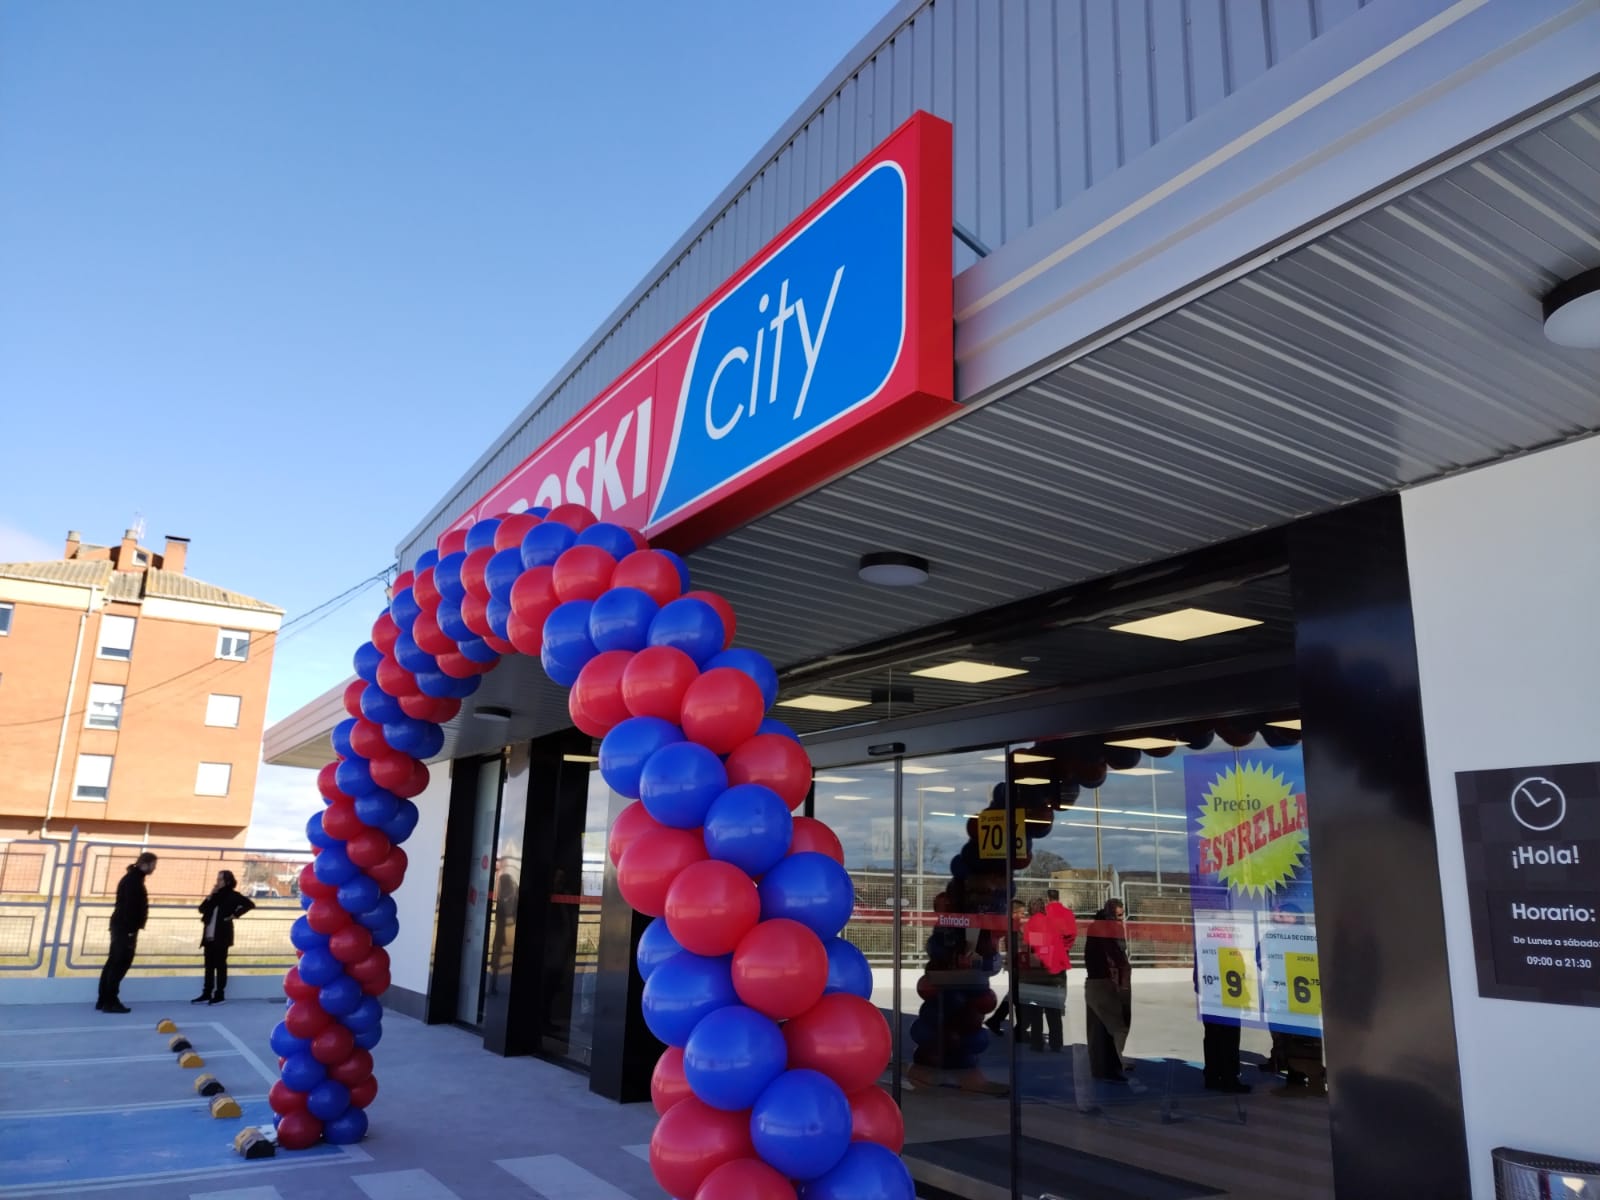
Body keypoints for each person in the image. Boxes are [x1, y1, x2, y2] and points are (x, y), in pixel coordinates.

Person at [97, 851, 157, 1013]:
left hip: (121, 926)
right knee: (120, 963)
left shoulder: (133, 878)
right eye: (153, 865)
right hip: (125, 928)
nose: (154, 869)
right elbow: (130, 908)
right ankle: (110, 1001)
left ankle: (103, 999)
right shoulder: (133, 881)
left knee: (113, 962)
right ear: (146, 864)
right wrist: (131, 930)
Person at [1084, 898, 1134, 1081]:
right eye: (1119, 916)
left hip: (1101, 980)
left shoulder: (1096, 927)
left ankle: (1106, 1065)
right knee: (1116, 1026)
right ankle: (1110, 1066)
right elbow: (1114, 957)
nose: (1121, 919)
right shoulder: (1110, 928)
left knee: (1101, 1027)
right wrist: (1120, 983)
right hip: (1109, 981)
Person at [1018, 896, 1072, 1051]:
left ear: (1030, 909)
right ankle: (1056, 1043)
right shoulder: (1052, 923)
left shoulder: (1028, 926)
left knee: (1035, 1011)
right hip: (1053, 973)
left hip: (1035, 975)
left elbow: (1033, 947)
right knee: (1053, 1011)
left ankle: (1037, 1043)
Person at [193, 870, 255, 1005]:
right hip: (209, 934)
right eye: (217, 879)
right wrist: (210, 895)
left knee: (220, 965)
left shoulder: (232, 896)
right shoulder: (215, 896)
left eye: (220, 879)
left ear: (227, 881)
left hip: (222, 936)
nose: (217, 882)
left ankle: (219, 994)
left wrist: (235, 915)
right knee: (209, 966)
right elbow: (202, 909)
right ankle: (206, 992)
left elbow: (249, 904)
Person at [985, 899, 1027, 1036]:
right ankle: (1019, 1028)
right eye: (1021, 913)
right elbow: (1014, 948)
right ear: (1014, 913)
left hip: (1015, 964)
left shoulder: (1013, 925)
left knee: (1014, 995)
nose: (1023, 916)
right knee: (1018, 997)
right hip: (1017, 965)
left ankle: (996, 1020)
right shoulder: (1013, 927)